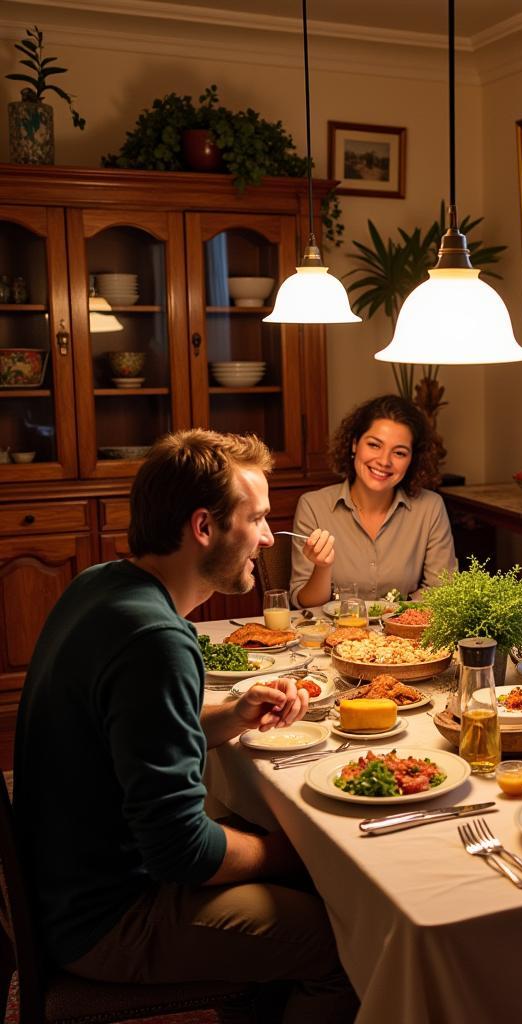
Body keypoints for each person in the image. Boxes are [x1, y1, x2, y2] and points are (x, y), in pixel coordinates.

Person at [14, 429, 357, 1022]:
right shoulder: (157, 642)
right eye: (256, 520)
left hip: (64, 881)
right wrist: (300, 852)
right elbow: (184, 854)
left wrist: (232, 715)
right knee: (345, 940)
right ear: (204, 527)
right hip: (105, 918)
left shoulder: (101, 584)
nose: (270, 538)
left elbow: (126, 733)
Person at [291, 394, 456, 606]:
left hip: (403, 634)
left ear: (412, 459)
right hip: (334, 635)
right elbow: (305, 603)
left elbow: (442, 591)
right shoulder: (313, 506)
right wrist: (322, 567)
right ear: (354, 444)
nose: (384, 461)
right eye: (374, 445)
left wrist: (392, 614)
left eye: (399, 452)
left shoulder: (430, 508)